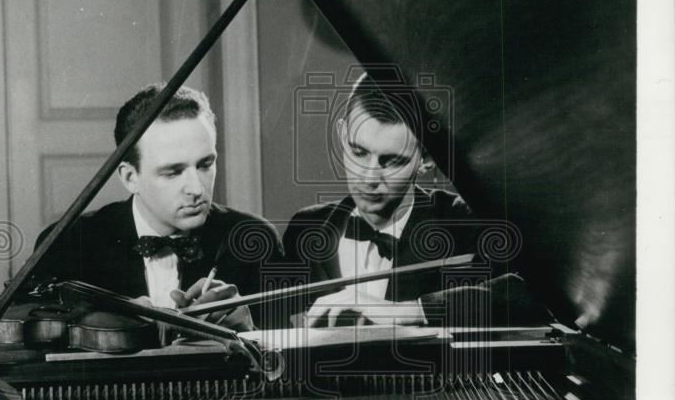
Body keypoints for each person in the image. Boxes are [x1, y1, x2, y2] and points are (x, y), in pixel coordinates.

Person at [283, 73, 545, 329]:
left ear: (427, 159)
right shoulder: (307, 227)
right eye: (358, 152)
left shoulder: (467, 222)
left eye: (392, 160)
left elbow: (536, 294)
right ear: (342, 135)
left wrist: (413, 310)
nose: (369, 177)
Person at [27, 85, 282, 332]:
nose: (196, 188)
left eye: (205, 165)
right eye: (173, 172)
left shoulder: (255, 238)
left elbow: (292, 366)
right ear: (130, 177)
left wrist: (249, 330)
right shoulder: (68, 243)